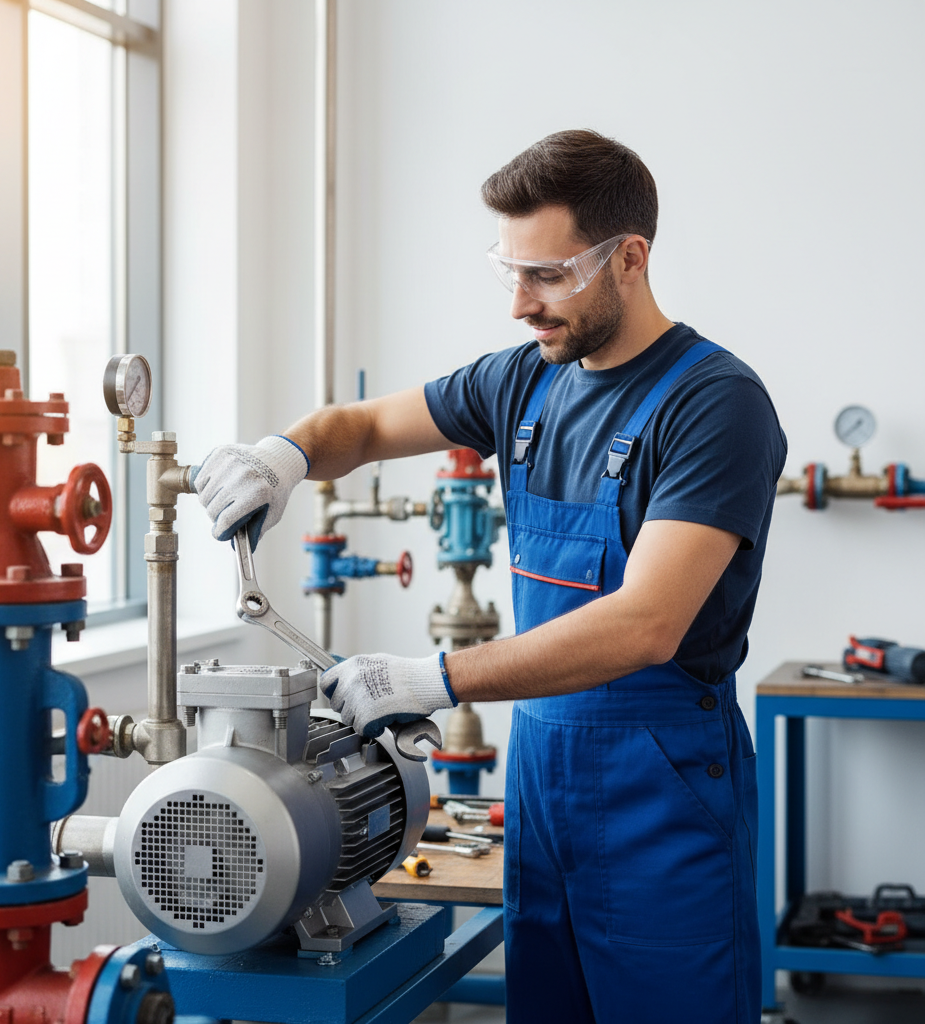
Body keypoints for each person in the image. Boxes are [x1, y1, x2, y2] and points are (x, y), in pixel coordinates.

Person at [193, 129, 787, 1024]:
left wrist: (426, 679)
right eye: (509, 272)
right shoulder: (523, 384)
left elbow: (643, 625)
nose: (520, 304)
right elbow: (358, 427)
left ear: (630, 259)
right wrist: (284, 455)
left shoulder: (714, 404)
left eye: (548, 275)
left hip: (663, 791)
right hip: (543, 780)